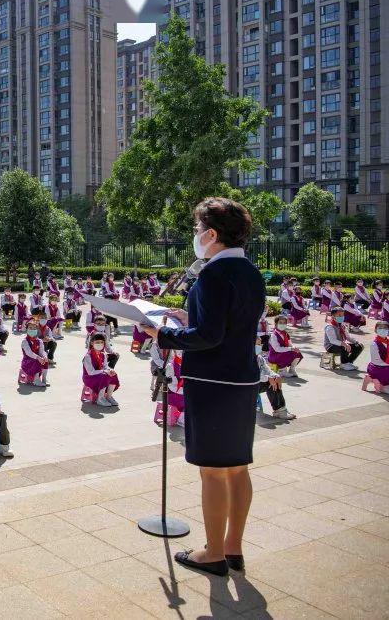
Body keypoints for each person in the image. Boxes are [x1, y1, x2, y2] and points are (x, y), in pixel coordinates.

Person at [141, 197, 265, 577]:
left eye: (197, 230)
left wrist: (163, 333)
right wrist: (188, 315)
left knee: (212, 471)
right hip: (242, 378)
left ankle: (212, 552)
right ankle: (233, 549)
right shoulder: (250, 272)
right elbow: (228, 324)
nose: (195, 236)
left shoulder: (212, 274)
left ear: (212, 234)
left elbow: (208, 337)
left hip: (212, 382)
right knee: (237, 468)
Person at [256, 342, 296, 419]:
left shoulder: (259, 358)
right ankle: (280, 411)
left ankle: (280, 411)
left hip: (257, 384)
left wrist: (276, 376)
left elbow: (267, 370)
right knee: (270, 381)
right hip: (246, 386)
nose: (260, 346)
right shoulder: (245, 358)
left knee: (275, 381)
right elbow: (251, 375)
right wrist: (268, 378)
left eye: (260, 344)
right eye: (257, 344)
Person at [82, 333, 120, 406]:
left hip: (99, 375)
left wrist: (110, 370)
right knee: (105, 376)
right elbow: (90, 372)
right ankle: (100, 398)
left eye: (102, 342)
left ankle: (108, 396)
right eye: (97, 342)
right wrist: (105, 371)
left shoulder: (103, 354)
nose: (100, 344)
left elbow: (106, 367)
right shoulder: (88, 356)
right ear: (92, 343)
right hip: (89, 378)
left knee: (113, 375)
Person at [323, 306, 362, 371]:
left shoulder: (342, 325)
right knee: (344, 347)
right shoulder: (330, 326)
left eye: (342, 315)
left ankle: (348, 362)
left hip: (340, 344)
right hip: (331, 346)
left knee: (358, 347)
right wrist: (344, 344)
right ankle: (343, 364)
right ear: (333, 316)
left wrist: (356, 342)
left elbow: (347, 337)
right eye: (339, 315)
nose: (341, 317)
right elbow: (333, 341)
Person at [18, 322, 48, 387]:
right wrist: (38, 358)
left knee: (45, 360)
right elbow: (29, 353)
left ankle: (44, 379)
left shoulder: (39, 341)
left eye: (34, 328)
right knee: (37, 360)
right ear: (27, 329)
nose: (32, 330)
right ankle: (36, 380)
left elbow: (42, 351)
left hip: (37, 360)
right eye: (30, 328)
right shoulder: (25, 341)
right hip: (27, 362)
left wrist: (44, 357)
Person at [365, 322, 389, 393]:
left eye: (385, 328)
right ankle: (383, 386)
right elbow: (377, 361)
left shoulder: (387, 342)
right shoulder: (374, 344)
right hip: (378, 368)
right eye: (380, 328)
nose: (383, 330)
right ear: (376, 330)